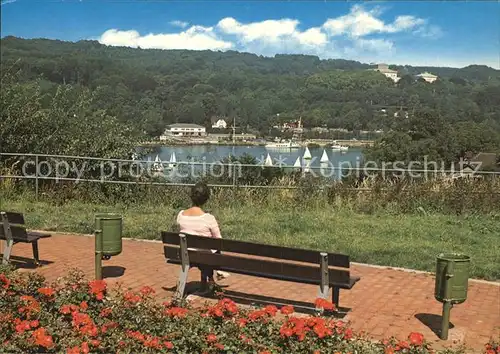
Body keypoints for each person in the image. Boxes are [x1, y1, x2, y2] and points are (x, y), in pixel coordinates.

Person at [175, 182, 229, 292]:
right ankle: (211, 278)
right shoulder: (209, 218)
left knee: (206, 250)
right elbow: (219, 240)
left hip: (186, 255)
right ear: (206, 199)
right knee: (213, 250)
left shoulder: (181, 215)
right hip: (205, 258)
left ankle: (209, 281)